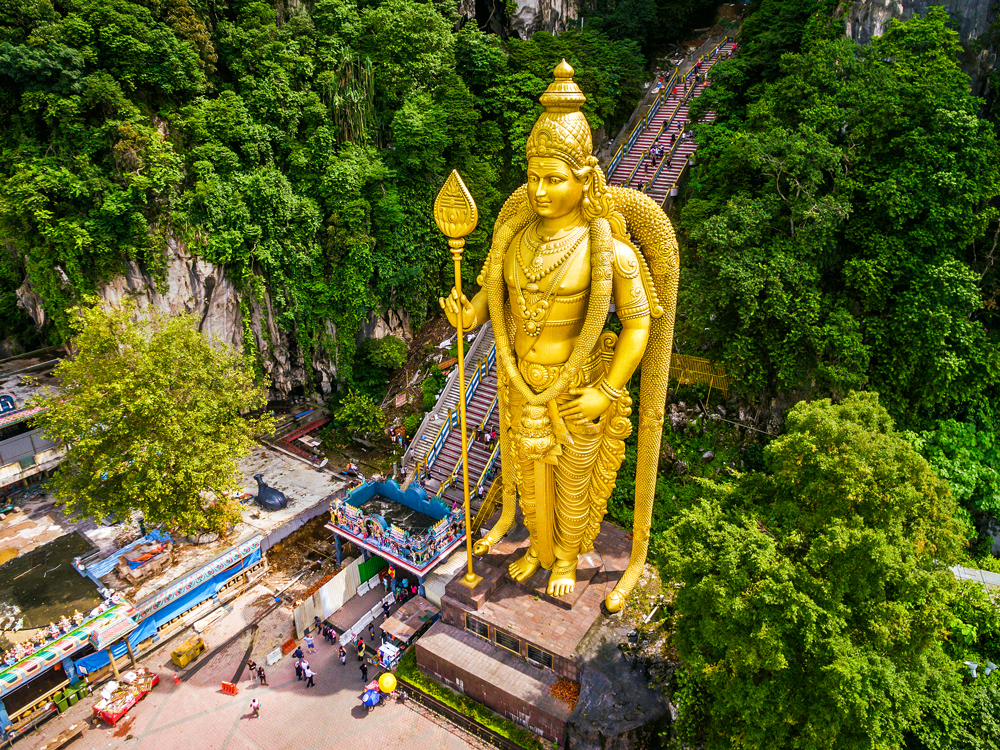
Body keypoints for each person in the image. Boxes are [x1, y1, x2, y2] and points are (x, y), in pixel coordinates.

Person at [439, 61, 671, 611]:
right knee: (527, 476)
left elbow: (639, 324)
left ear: (585, 178)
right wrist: (467, 316)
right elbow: (492, 301)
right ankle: (538, 551)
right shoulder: (513, 240)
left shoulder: (608, 249)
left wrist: (609, 390)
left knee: (571, 486)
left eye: (555, 178)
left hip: (578, 386)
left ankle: (564, 558)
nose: (540, 190)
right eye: (533, 176)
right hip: (522, 383)